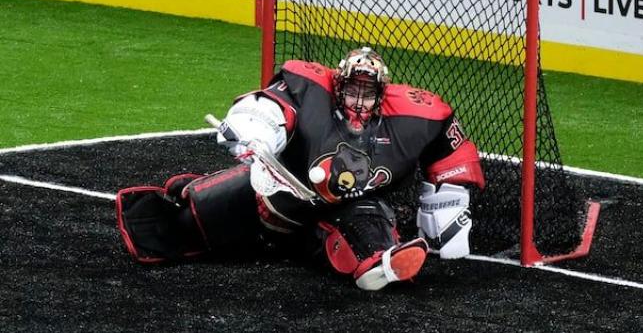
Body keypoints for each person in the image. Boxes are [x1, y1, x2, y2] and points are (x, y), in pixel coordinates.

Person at [117, 47, 485, 290]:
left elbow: (451, 150)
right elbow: (269, 106)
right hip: (279, 195)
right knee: (189, 223)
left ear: (381, 94)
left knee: (369, 245)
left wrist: (448, 205)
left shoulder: (414, 115)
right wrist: (252, 130)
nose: (359, 100)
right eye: (352, 91)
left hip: (350, 206)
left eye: (367, 92)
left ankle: (383, 263)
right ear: (338, 87)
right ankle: (193, 191)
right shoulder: (308, 88)